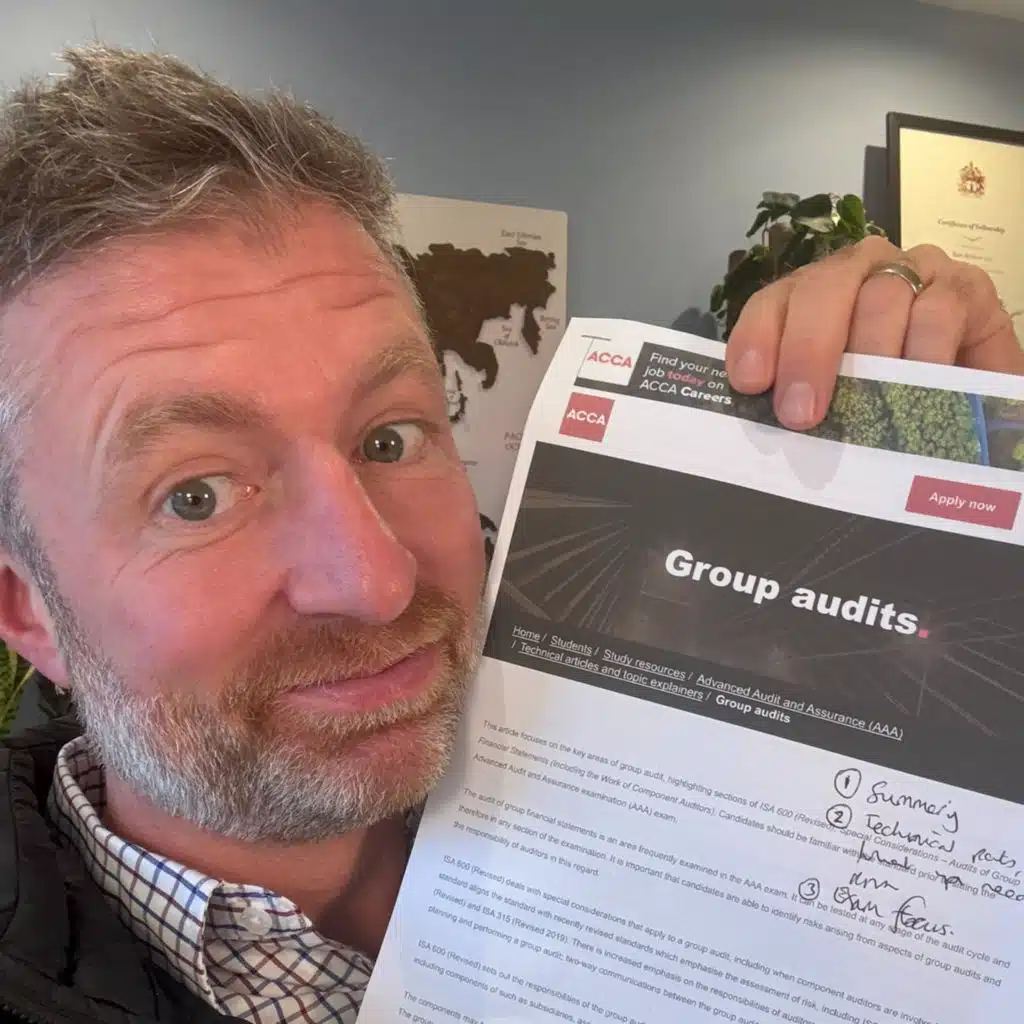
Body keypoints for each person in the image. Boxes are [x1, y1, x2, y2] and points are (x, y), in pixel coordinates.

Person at [0, 44, 1018, 1024]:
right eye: (196, 496)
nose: (378, 580)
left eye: (391, 437)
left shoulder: (679, 781)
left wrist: (968, 472)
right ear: (27, 608)